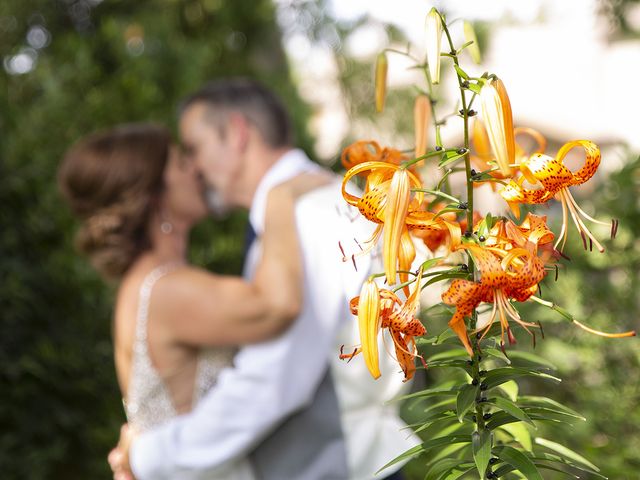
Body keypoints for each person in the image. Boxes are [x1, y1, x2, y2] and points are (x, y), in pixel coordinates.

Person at [109, 79, 421, 480]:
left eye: (195, 147)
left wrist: (147, 457)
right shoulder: (319, 203)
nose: (194, 168)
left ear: (238, 134)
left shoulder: (305, 217)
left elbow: (272, 383)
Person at [58, 123, 328, 479]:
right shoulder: (165, 290)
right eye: (180, 163)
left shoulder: (146, 284)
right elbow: (276, 306)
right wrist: (278, 198)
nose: (195, 169)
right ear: (154, 194)